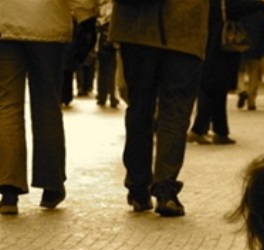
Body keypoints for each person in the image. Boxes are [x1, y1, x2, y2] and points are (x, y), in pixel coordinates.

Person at [109, 0, 209, 217]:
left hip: (136, 27)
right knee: (175, 111)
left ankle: (138, 188)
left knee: (139, 108)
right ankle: (165, 191)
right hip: (185, 28)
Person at [0, 0, 97, 215]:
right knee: (48, 106)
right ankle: (51, 184)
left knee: (7, 105)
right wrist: (86, 16)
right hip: (49, 25)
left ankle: (9, 187)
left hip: (5, 23)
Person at [189, 0, 264, 145]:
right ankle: (198, 130)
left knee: (217, 89)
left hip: (211, 43)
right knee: (213, 88)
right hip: (221, 47)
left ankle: (220, 131)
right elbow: (242, 6)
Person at [236, 2, 264, 111]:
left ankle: (242, 90)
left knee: (239, 71)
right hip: (256, 46)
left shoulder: (240, 9)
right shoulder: (261, 10)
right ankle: (251, 100)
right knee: (254, 74)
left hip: (240, 45)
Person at [96, 0, 120, 108]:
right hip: (111, 43)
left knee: (103, 71)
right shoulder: (113, 6)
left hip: (102, 41)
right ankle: (112, 96)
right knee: (112, 71)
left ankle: (102, 96)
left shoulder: (101, 6)